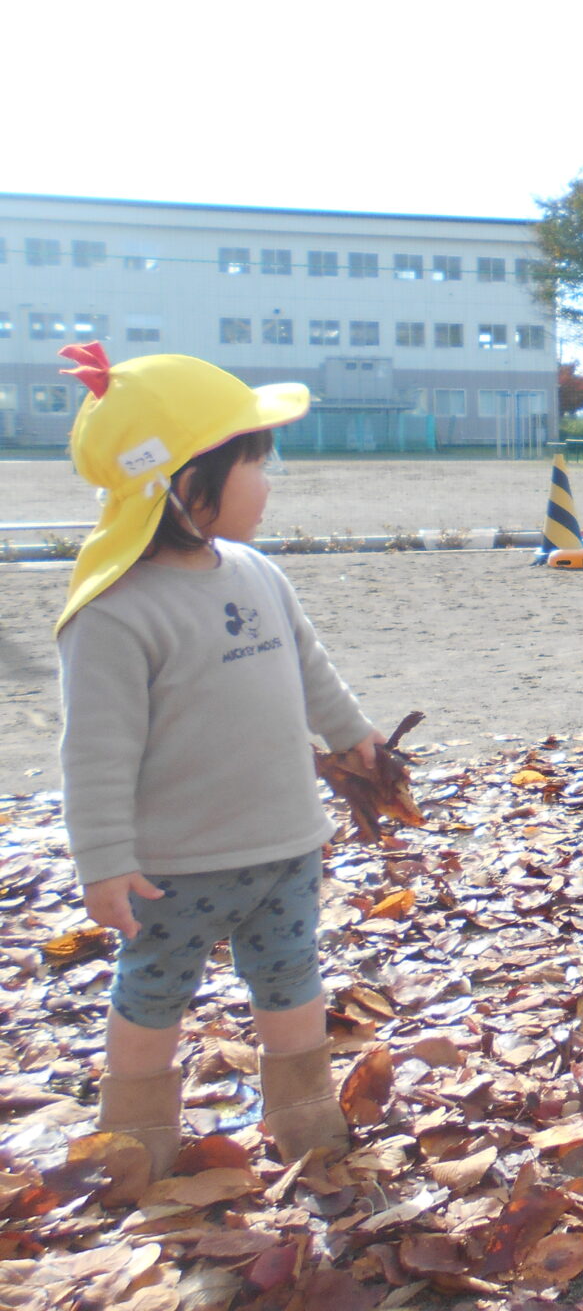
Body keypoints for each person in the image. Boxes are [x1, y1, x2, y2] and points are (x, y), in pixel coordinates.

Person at [52, 343, 380, 1179]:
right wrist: (104, 861)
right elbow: (95, 750)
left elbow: (309, 668)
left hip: (285, 845)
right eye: (255, 464)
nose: (269, 483)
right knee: (153, 992)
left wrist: (353, 736)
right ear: (183, 482)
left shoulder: (257, 572)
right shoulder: (116, 613)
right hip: (174, 866)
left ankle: (304, 1115)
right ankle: (135, 1134)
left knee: (292, 979)